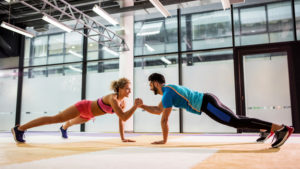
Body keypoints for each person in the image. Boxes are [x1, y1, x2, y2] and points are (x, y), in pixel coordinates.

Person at [139, 73, 294, 148]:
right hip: (208, 99)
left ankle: (280, 129)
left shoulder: (167, 94)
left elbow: (163, 119)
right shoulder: (169, 90)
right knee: (236, 117)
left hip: (207, 104)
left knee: (235, 122)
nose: (149, 87)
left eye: (150, 84)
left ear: (155, 83)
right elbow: (159, 110)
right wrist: (142, 106)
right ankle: (265, 129)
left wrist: (164, 140)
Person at [12, 78, 143, 143]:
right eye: (127, 88)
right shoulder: (113, 99)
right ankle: (20, 128)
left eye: (129, 89)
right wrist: (135, 106)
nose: (129, 91)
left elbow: (121, 120)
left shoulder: (122, 102)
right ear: (119, 89)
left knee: (70, 123)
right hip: (83, 107)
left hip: (89, 115)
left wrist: (123, 138)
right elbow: (125, 117)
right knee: (55, 118)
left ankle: (63, 128)